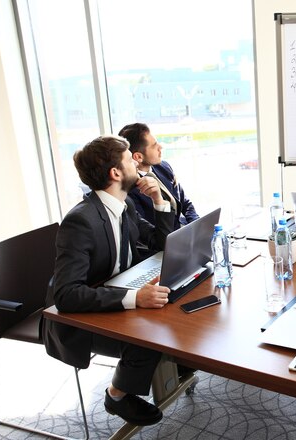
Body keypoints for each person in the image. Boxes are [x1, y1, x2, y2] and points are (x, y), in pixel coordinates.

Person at [42, 135, 175, 426]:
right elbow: (66, 296)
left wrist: (158, 201)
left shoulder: (122, 206)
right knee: (151, 337)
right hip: (78, 318)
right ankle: (116, 396)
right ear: (116, 173)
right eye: (130, 159)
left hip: (114, 289)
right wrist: (134, 298)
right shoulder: (81, 221)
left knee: (173, 312)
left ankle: (178, 367)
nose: (136, 164)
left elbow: (160, 242)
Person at [119, 123, 199, 230]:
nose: (160, 147)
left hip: (185, 229)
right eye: (154, 145)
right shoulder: (130, 190)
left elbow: (185, 203)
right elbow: (149, 231)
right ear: (138, 157)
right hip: (166, 240)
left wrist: (197, 225)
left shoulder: (164, 167)